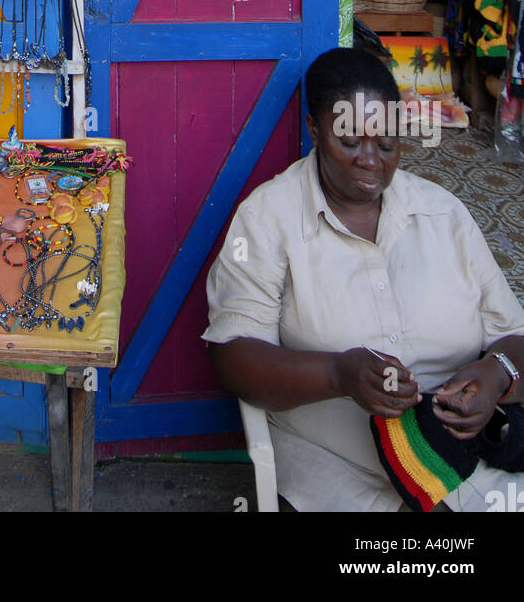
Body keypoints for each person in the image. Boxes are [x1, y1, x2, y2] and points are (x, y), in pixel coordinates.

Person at [204, 47, 524, 511]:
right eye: (350, 141)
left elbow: (514, 335)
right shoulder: (267, 219)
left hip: (462, 463)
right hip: (337, 473)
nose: (371, 160)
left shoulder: (443, 213)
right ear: (314, 129)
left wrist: (497, 374)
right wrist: (338, 374)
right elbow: (232, 356)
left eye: (387, 143)